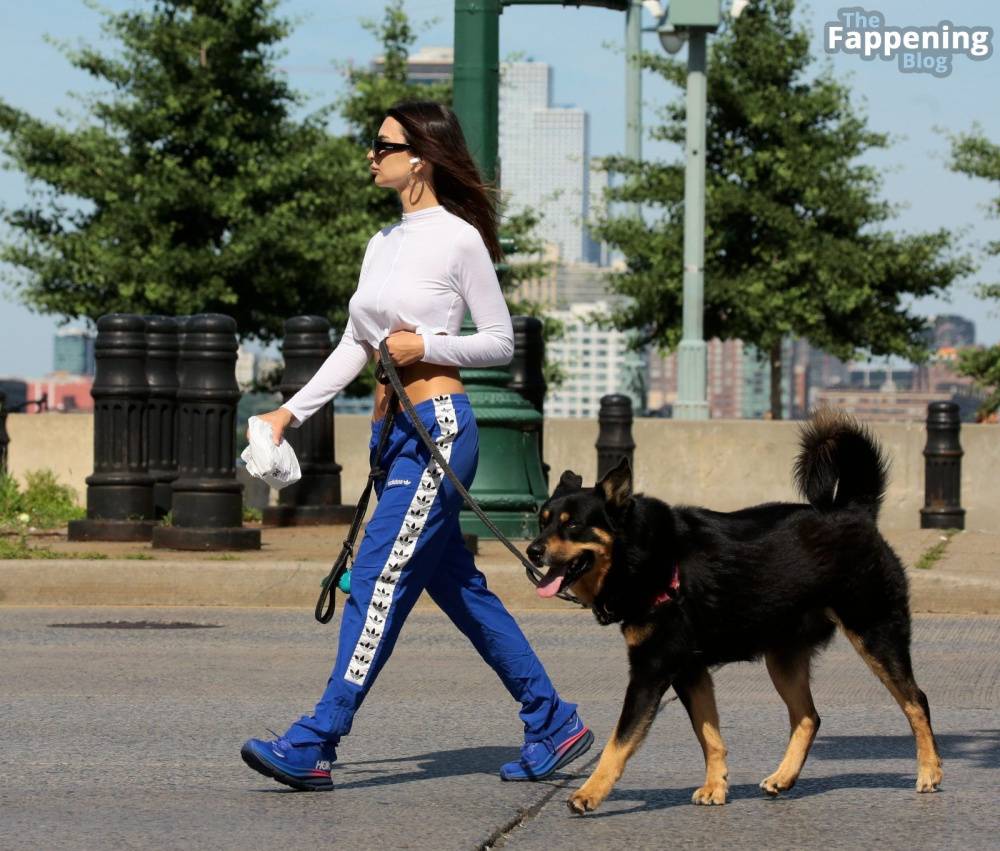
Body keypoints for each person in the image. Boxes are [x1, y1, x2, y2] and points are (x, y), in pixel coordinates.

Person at [240, 100, 592, 791]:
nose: (371, 155)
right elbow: (356, 344)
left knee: (376, 580)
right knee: (460, 590)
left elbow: (499, 339)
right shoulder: (383, 243)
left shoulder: (457, 238)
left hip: (439, 430)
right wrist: (287, 413)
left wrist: (425, 343)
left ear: (420, 158)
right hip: (393, 434)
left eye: (383, 145)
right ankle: (552, 719)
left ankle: (316, 738)